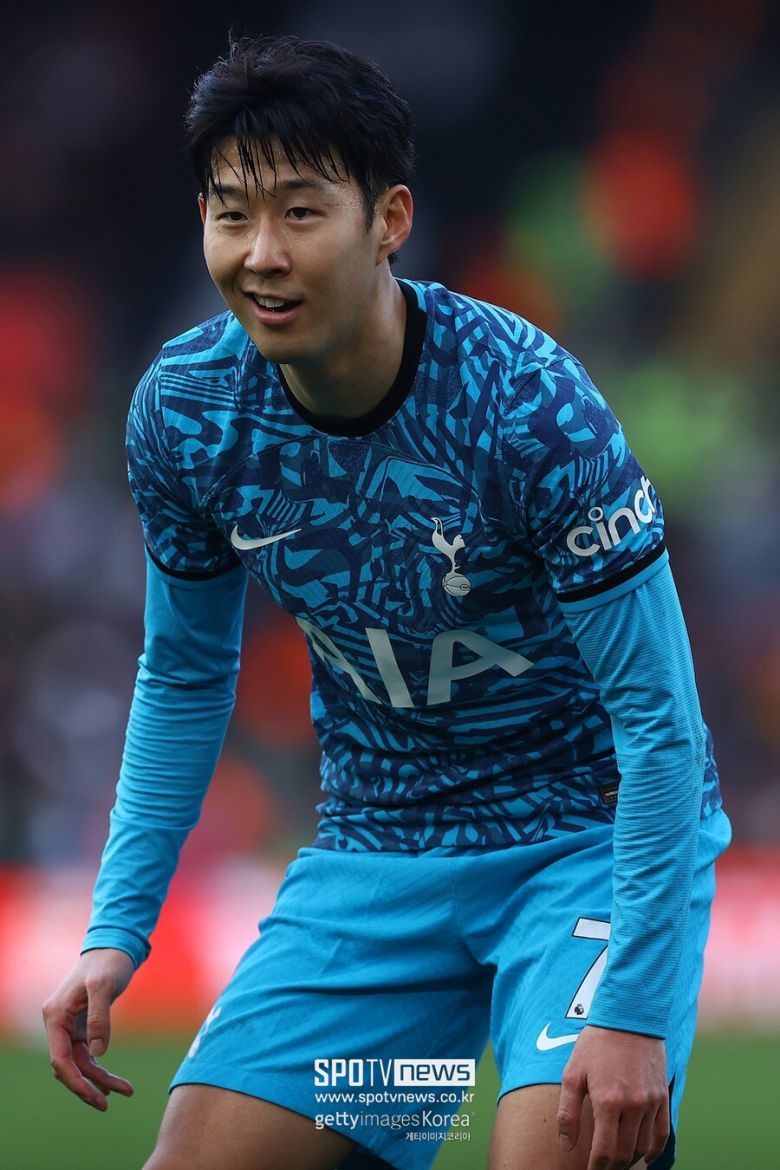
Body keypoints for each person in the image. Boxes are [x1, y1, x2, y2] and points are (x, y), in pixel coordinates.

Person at [42, 34, 729, 1170]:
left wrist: (635, 1006)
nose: (263, 254)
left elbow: (662, 720)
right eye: (231, 215)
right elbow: (185, 674)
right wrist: (117, 929)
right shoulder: (186, 413)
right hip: (380, 865)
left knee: (562, 1152)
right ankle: (404, 1103)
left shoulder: (529, 407)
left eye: (302, 213)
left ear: (390, 219)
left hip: (584, 849)